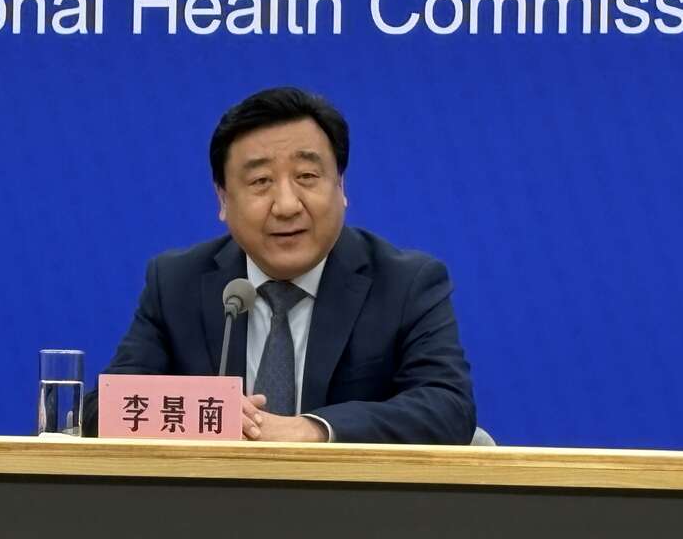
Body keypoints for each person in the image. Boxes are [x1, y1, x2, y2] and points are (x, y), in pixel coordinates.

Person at [83, 87, 475, 443]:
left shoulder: (405, 283)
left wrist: (313, 428)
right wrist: (206, 414)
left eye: (307, 176)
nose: (286, 205)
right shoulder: (176, 283)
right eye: (260, 181)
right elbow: (104, 409)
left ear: (341, 187)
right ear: (223, 199)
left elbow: (448, 408)